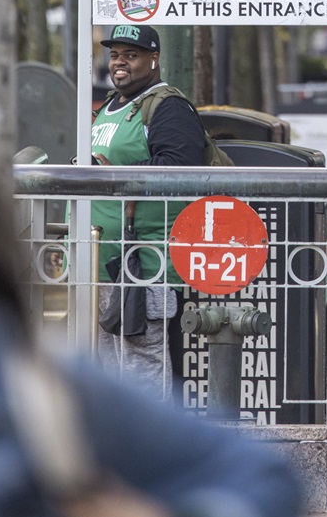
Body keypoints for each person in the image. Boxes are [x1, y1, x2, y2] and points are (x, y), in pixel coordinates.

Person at [0, 140, 302, 517]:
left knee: (142, 364)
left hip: (140, 282)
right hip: (119, 281)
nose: (117, 74)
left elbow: (261, 476)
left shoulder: (40, 386)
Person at [90, 24, 212, 395]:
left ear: (154, 59)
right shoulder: (110, 105)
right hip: (104, 265)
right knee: (113, 376)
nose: (120, 63)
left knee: (147, 374)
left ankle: (163, 450)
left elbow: (181, 169)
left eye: (132, 54)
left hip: (147, 265)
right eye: (115, 54)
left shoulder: (167, 107)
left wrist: (116, 174)